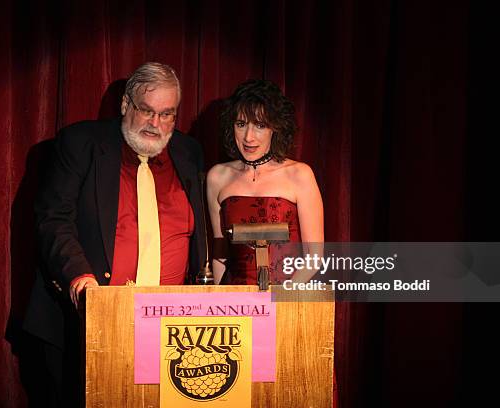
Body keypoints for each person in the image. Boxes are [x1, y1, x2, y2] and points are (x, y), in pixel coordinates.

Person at [23, 62, 206, 406]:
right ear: (126, 104)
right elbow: (53, 219)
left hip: (170, 331)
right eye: (147, 111)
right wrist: (79, 275)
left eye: (167, 114)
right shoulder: (81, 143)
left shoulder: (188, 152)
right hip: (87, 326)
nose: (156, 124)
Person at [207, 79, 323, 285]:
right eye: (241, 124)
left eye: (260, 125)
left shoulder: (300, 175)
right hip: (236, 306)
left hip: (286, 300)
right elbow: (220, 255)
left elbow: (314, 257)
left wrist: (280, 301)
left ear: (275, 129)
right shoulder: (217, 177)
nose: (248, 137)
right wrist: (220, 304)